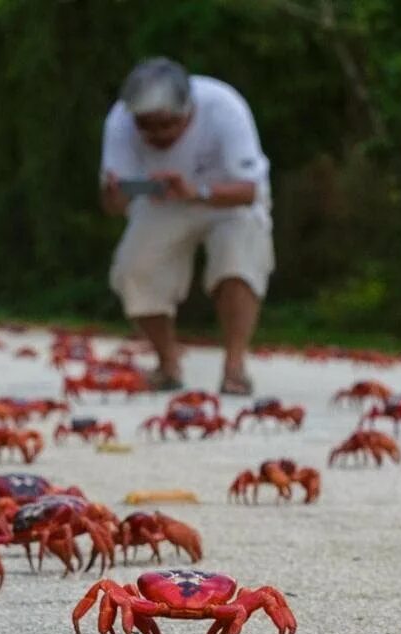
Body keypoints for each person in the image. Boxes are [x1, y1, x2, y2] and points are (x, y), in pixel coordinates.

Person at [100, 57, 273, 395]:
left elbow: (249, 189)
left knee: (238, 258)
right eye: (145, 126)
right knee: (134, 270)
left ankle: (235, 367)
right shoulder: (119, 121)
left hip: (227, 196)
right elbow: (111, 206)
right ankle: (167, 364)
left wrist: (197, 191)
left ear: (188, 110)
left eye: (166, 125)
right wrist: (116, 193)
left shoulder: (223, 107)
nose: (156, 135)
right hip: (160, 201)